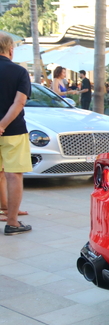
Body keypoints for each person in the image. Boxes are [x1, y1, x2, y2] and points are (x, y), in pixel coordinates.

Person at [0, 34, 32, 235]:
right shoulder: (19, 71)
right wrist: (2, 125)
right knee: (14, 175)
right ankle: (12, 221)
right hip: (14, 131)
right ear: (11, 50)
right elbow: (19, 102)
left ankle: (4, 209)